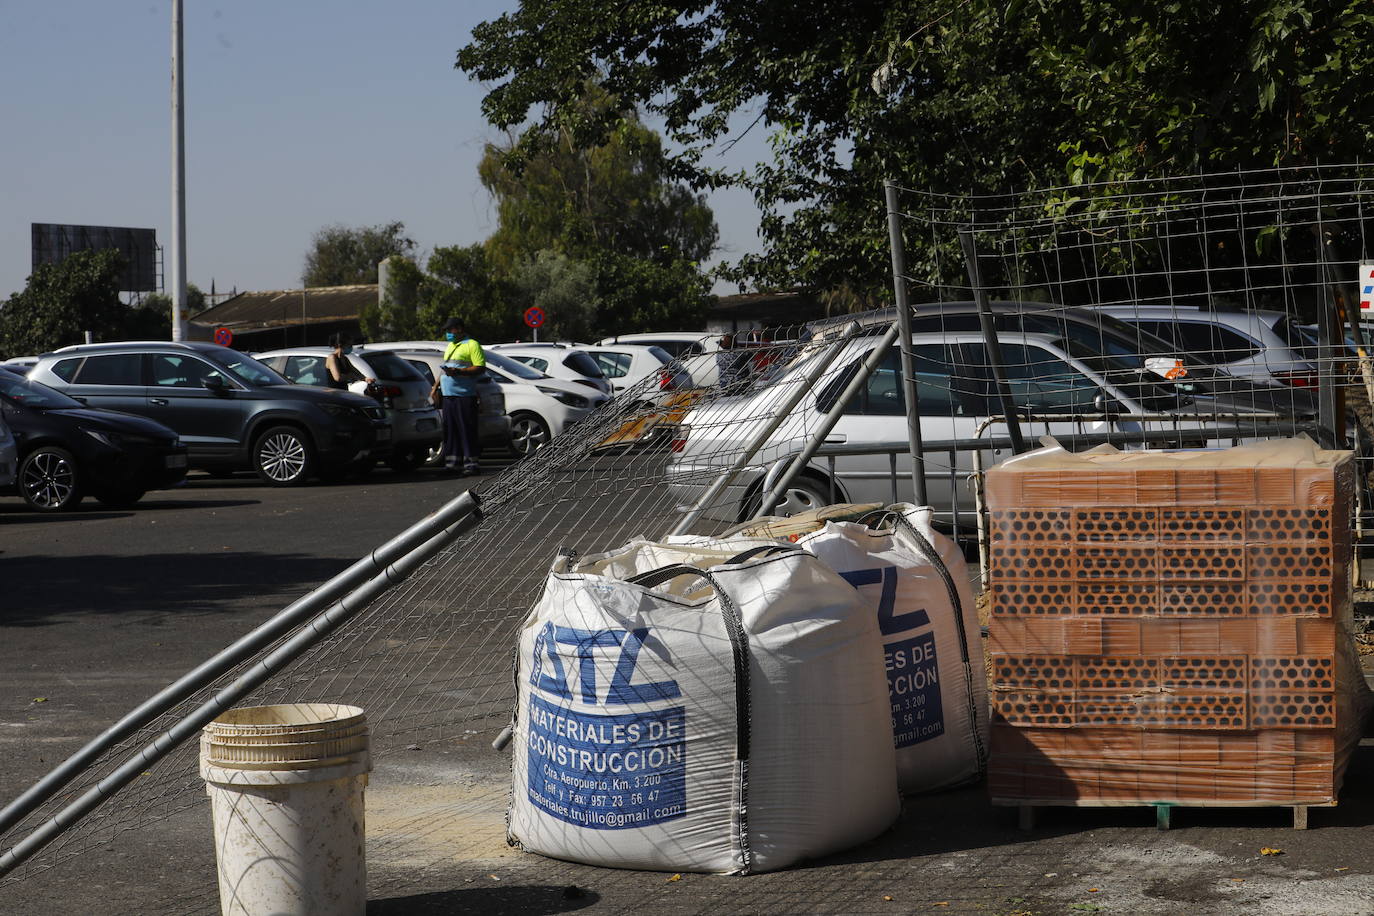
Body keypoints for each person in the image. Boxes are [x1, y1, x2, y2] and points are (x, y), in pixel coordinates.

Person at [439, 317, 486, 475]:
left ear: (459, 328)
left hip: (464, 396)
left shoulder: (472, 344)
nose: (447, 333)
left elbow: (480, 368)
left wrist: (459, 372)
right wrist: (436, 387)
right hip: (448, 396)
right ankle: (452, 464)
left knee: (466, 429)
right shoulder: (451, 346)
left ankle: (471, 464)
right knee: (451, 430)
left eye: (449, 330)